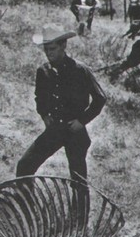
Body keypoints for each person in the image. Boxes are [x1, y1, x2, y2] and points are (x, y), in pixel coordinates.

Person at [16, 23, 106, 184]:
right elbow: (39, 97)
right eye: (46, 49)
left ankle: (79, 201)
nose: (48, 53)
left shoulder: (80, 70)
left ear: (63, 45)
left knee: (78, 179)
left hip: (75, 131)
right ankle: (27, 200)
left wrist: (81, 121)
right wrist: (44, 115)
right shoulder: (43, 71)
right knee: (24, 166)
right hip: (55, 129)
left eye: (52, 49)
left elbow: (100, 98)